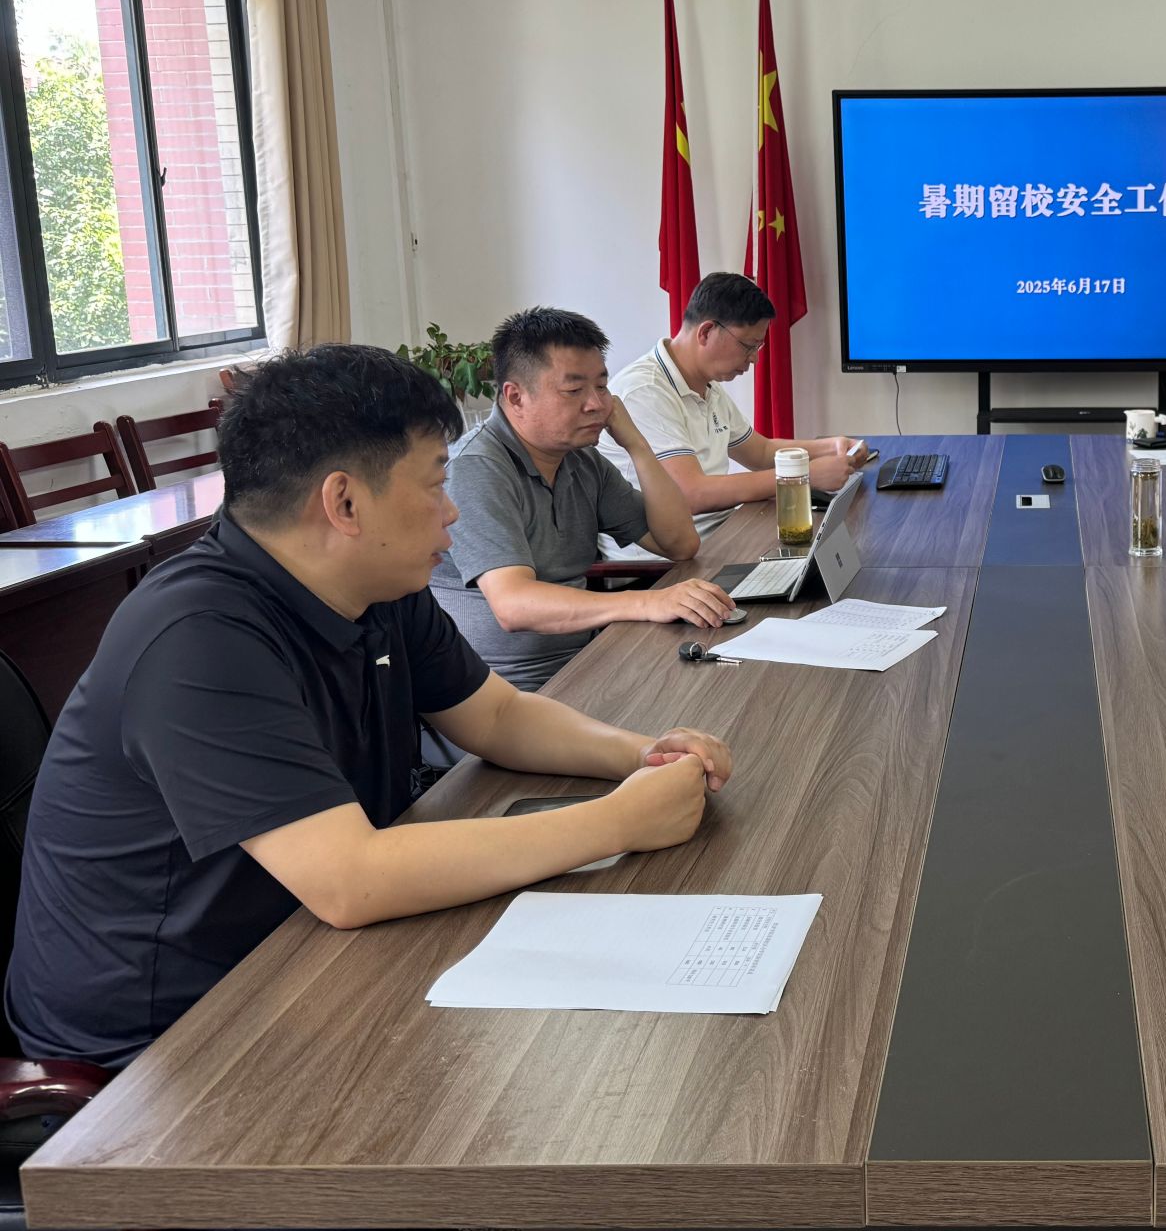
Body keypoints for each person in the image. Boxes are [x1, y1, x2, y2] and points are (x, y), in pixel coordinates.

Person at [6, 345, 732, 1070]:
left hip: (304, 955)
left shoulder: (376, 584)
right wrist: (618, 822)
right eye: (436, 484)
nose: (452, 511)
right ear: (345, 503)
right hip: (162, 1042)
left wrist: (642, 754)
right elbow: (349, 880)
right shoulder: (197, 638)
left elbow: (496, 718)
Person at [432, 307, 734, 694]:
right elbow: (513, 604)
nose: (595, 404)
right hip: (502, 692)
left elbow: (679, 543)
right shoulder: (476, 468)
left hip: (585, 662)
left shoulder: (581, 460)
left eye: (602, 387)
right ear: (516, 396)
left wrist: (638, 446)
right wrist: (646, 603)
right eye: (574, 391)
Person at [599, 272, 869, 538]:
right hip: (668, 556)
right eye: (748, 346)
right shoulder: (645, 391)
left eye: (758, 348)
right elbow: (691, 494)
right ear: (706, 332)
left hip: (720, 532)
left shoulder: (707, 384)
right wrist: (801, 475)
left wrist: (832, 446)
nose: (754, 359)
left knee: (841, 535)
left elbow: (760, 452)